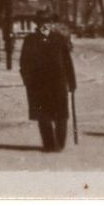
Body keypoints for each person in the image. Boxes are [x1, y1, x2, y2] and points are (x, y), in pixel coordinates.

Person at [20, 12, 76, 151]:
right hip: (39, 84)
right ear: (37, 24)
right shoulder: (30, 40)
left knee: (61, 115)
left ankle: (60, 144)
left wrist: (72, 82)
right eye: (42, 22)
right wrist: (28, 81)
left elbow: (67, 62)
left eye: (48, 22)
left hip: (58, 83)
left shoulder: (59, 39)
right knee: (43, 115)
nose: (46, 25)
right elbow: (24, 62)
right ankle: (49, 144)